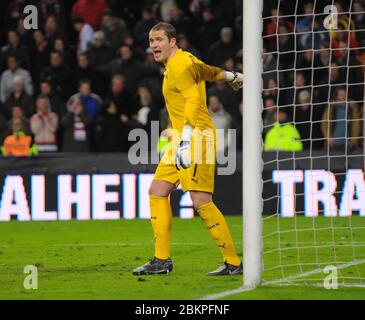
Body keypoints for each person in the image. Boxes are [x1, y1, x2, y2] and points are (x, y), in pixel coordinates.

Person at [132, 22, 243, 276]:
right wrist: (231, 76)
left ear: (173, 42)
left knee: (200, 200)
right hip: (183, 137)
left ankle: (233, 262)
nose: (154, 45)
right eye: (151, 41)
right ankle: (161, 260)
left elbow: (193, 99)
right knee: (158, 191)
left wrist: (185, 138)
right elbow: (207, 71)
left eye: (159, 39)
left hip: (196, 138)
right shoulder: (185, 59)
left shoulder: (179, 66)